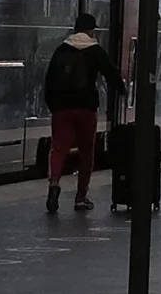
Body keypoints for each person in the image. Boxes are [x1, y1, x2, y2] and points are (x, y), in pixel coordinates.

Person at [42, 12, 122, 213]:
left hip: (61, 108)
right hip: (86, 108)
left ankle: (54, 184)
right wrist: (122, 90)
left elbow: (49, 80)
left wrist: (53, 105)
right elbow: (111, 74)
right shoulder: (95, 50)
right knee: (87, 152)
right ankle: (81, 197)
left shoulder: (61, 50)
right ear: (90, 30)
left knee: (59, 149)